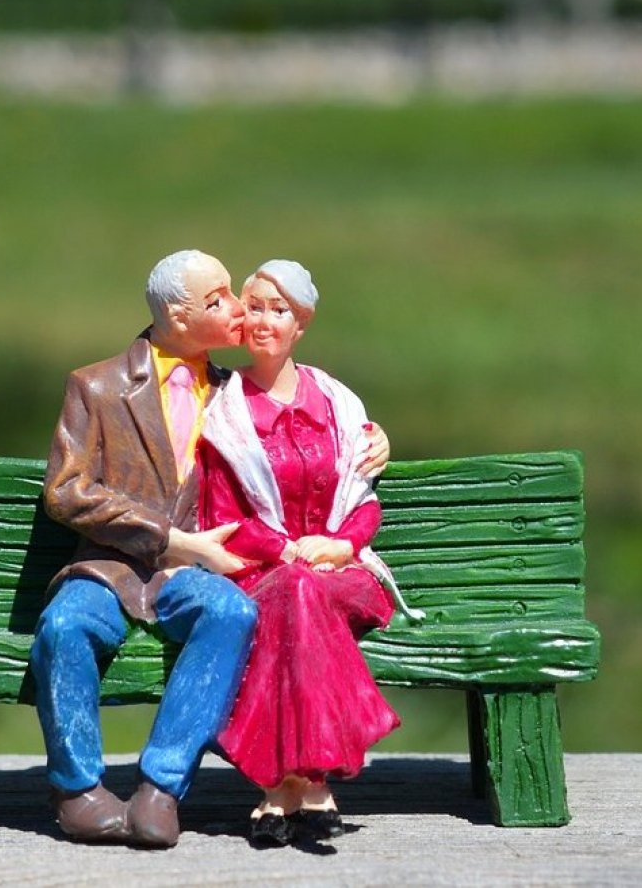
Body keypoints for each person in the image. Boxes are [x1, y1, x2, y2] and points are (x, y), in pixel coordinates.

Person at [33, 250, 391, 849]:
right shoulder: (96, 386)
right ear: (177, 316)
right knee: (65, 627)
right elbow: (66, 492)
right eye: (219, 300)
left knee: (230, 614)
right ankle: (79, 791)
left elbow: (307, 423)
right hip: (112, 564)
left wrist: (376, 439)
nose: (240, 313)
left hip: (194, 575)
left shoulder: (233, 394)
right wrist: (170, 539)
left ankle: (162, 788)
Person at [196, 259, 403, 847]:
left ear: (301, 324)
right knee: (293, 592)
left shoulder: (338, 403)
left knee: (303, 594)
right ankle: (307, 784)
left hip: (344, 575)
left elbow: (363, 499)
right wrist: (287, 549)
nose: (263, 321)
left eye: (278, 310)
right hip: (263, 574)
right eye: (254, 306)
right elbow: (223, 518)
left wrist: (341, 545)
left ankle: (275, 788)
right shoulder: (226, 414)